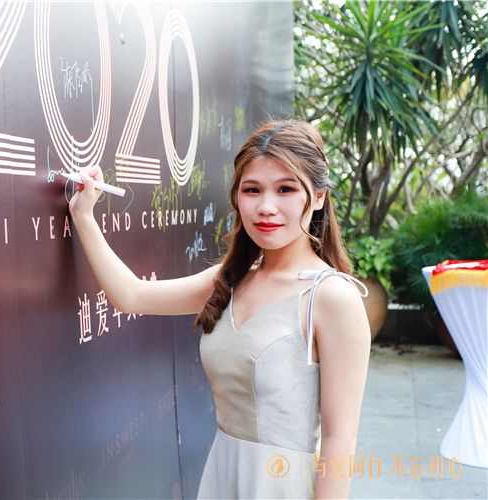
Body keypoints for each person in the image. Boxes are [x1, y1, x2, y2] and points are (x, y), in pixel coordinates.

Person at [68, 119, 371, 499]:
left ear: (320, 197)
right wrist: (84, 216)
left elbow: (341, 437)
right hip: (222, 477)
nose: (266, 207)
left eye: (286, 189)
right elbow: (131, 296)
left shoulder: (332, 297)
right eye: (252, 189)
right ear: (237, 196)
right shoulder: (231, 278)